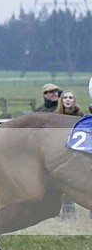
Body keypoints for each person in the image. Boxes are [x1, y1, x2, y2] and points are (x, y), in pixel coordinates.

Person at [55, 90, 83, 219]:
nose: (67, 100)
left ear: (74, 100)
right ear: (61, 100)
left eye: (70, 97)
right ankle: (67, 213)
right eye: (65, 97)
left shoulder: (80, 116)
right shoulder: (55, 116)